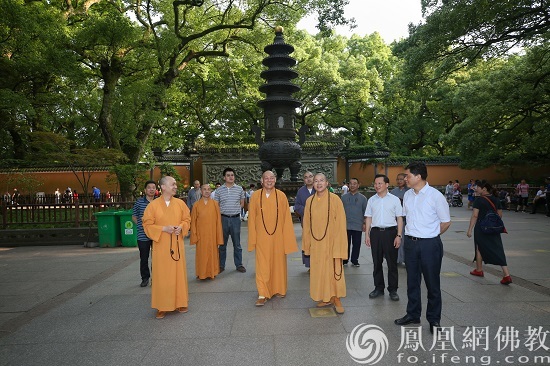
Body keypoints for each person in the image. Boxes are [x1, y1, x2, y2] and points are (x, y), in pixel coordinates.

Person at [394, 162, 451, 335]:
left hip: (429, 245)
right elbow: (405, 218)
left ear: (418, 176)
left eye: (408, 175)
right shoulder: (408, 196)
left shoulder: (436, 196)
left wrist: (431, 235)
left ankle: (434, 319)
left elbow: (446, 222)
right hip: (411, 243)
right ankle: (413, 314)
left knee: (432, 283)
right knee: (412, 281)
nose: (405, 178)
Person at [142, 176, 191, 319]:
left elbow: (187, 219)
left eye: (176, 184)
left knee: (178, 274)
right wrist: (164, 228)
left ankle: (180, 302)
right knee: (162, 276)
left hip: (176, 244)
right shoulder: (153, 206)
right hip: (161, 245)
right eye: (173, 184)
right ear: (163, 187)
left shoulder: (180, 204)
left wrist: (181, 227)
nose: (176, 186)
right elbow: (147, 225)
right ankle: (162, 305)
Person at [248, 171, 298, 306]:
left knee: (278, 263)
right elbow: (251, 219)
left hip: (278, 237)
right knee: (262, 266)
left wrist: (287, 240)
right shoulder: (255, 197)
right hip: (261, 238)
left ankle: (279, 288)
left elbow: (287, 220)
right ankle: (262, 293)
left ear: (275, 180)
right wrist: (253, 239)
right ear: (261, 181)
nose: (269, 180)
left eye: (271, 178)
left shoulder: (281, 196)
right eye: (266, 178)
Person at [302, 173, 347, 314]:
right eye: (316, 181)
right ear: (313, 184)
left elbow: (341, 224)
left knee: (334, 271)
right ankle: (326, 297)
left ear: (327, 183)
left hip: (332, 243)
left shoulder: (335, 200)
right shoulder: (309, 201)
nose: (319, 183)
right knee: (320, 272)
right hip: (316, 244)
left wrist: (339, 246)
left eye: (322, 180)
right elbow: (307, 224)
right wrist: (307, 245)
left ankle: (337, 298)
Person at [365, 174, 403, 301]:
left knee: (392, 263)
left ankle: (393, 290)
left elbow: (399, 218)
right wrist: (367, 234)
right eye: (375, 183)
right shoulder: (371, 200)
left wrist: (399, 235)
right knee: (377, 262)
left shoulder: (394, 200)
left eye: (380, 183)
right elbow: (368, 217)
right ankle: (378, 288)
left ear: (387, 184)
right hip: (376, 233)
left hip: (390, 233)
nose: (377, 186)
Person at [467, 180, 512, 284]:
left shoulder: (479, 200)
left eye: (477, 187)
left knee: (479, 247)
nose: (475, 188)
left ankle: (479, 270)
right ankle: (507, 274)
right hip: (494, 228)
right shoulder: (496, 199)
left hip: (481, 228)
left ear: (484, 189)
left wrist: (470, 229)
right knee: (498, 249)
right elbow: (500, 215)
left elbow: (475, 215)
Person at [214, 168, 246, 273]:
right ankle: (221, 265)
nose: (230, 177)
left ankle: (239, 264)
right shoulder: (219, 191)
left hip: (235, 219)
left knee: (237, 244)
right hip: (223, 219)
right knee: (222, 244)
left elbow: (242, 203)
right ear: (224, 177)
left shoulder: (239, 189)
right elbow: (216, 205)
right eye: (228, 175)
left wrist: (235, 209)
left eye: (232, 175)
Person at [190, 184, 224, 280]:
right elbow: (193, 222)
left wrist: (218, 236)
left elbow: (218, 222)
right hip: (201, 235)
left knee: (212, 253)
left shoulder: (215, 204)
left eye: (209, 189)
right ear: (201, 191)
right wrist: (194, 235)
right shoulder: (196, 205)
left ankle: (212, 272)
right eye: (204, 189)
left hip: (212, 234)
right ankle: (201, 273)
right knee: (201, 255)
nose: (207, 191)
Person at [132, 180, 157, 287]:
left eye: (153, 187)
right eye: (149, 187)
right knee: (144, 258)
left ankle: (156, 278)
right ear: (145, 190)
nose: (151, 189)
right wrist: (142, 226)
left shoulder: (159, 202)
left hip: (156, 235)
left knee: (157, 257)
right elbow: (134, 216)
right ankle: (145, 278)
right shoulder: (139, 202)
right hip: (143, 235)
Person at [340, 178, 367, 267]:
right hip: (345, 225)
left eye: (354, 183)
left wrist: (364, 223)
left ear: (358, 185)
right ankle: (345, 259)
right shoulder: (343, 197)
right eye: (350, 183)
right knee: (345, 243)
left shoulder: (363, 198)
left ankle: (355, 260)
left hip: (357, 224)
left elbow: (365, 212)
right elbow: (339, 211)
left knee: (357, 243)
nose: (352, 185)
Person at [294, 171, 315, 270]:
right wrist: (307, 210)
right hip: (306, 222)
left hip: (320, 222)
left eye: (310, 176)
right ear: (304, 180)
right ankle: (310, 264)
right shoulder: (301, 191)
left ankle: (320, 263)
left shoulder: (319, 188)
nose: (309, 179)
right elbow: (297, 206)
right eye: (306, 177)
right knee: (308, 243)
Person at [390, 173, 410, 265]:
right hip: (396, 220)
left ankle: (406, 259)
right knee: (397, 239)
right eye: (397, 179)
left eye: (401, 179)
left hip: (407, 220)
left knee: (405, 241)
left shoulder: (410, 191)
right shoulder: (393, 192)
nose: (399, 181)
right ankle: (397, 259)